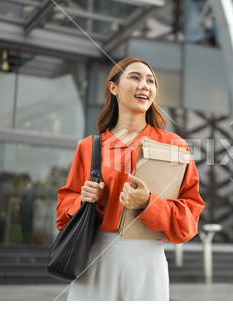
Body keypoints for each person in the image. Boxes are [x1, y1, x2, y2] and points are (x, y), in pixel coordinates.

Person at [56, 57, 205, 301]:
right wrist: (81, 200)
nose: (144, 85)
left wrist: (149, 203)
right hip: (94, 256)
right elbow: (63, 212)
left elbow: (190, 213)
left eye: (150, 81)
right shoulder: (89, 147)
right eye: (134, 77)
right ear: (113, 87)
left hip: (147, 260)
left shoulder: (173, 145)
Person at [20, 174, 35, 244]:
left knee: (27, 230)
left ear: (27, 181)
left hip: (27, 213)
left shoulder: (30, 190)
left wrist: (20, 204)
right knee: (25, 230)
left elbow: (28, 202)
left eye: (24, 181)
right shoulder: (27, 190)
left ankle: (26, 244)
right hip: (25, 213)